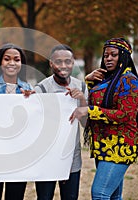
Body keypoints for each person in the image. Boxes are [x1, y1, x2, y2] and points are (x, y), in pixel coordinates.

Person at [69, 37, 138, 199]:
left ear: (123, 56)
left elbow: (125, 114)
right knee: (113, 196)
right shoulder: (105, 78)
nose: (108, 58)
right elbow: (96, 100)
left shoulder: (129, 80)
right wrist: (88, 81)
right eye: (106, 55)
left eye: (114, 55)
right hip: (103, 145)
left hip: (120, 146)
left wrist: (90, 110)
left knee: (100, 194)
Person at [0, 43, 34, 200]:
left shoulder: (28, 87)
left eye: (16, 59)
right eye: (7, 59)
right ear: (0, 62)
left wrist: (32, 102)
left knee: (15, 195)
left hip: (18, 153)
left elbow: (31, 122)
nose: (12, 63)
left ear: (21, 64)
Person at [34, 44, 88, 200]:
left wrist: (82, 101)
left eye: (68, 61)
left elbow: (85, 124)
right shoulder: (42, 89)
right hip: (46, 157)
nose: (63, 66)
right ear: (51, 63)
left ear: (73, 63)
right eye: (58, 61)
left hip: (72, 158)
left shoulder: (81, 87)